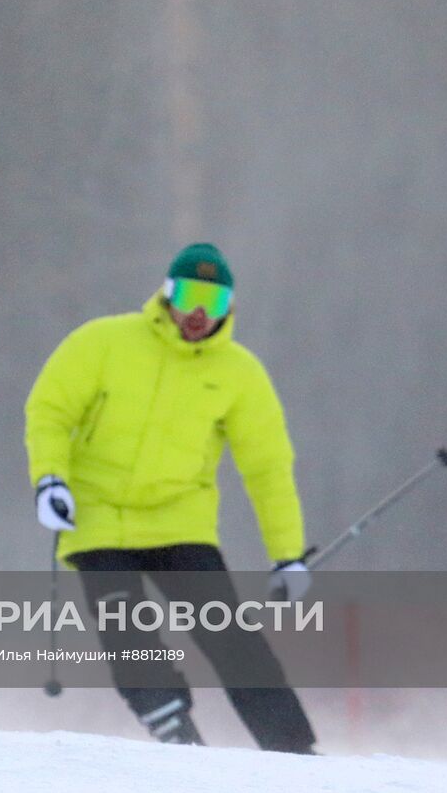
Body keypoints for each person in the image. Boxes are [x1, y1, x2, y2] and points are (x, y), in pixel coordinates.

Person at [24, 243, 316, 753]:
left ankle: (293, 750)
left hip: (180, 523)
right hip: (97, 518)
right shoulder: (104, 342)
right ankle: (171, 724)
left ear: (230, 307)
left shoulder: (239, 373)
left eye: (215, 300)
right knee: (126, 626)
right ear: (167, 293)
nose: (200, 311)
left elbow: (267, 468)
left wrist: (287, 554)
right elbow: (49, 411)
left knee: (228, 633)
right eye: (189, 294)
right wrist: (50, 480)